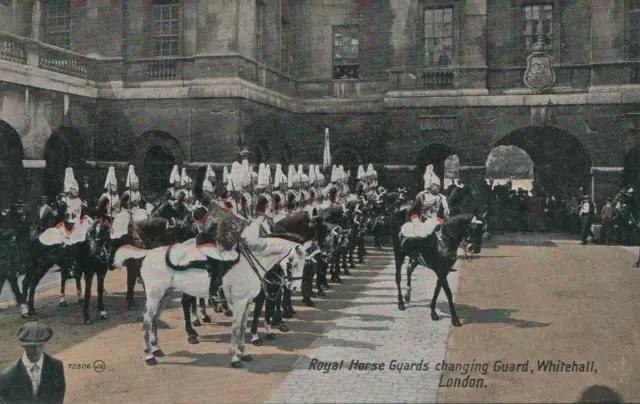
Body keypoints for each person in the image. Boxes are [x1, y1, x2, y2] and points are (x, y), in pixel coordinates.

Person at [0, 321, 65, 404]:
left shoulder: (56, 366)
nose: (35, 351)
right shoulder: (7, 376)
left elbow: (58, 397)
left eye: (39, 345)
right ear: (23, 346)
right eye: (30, 347)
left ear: (45, 343)